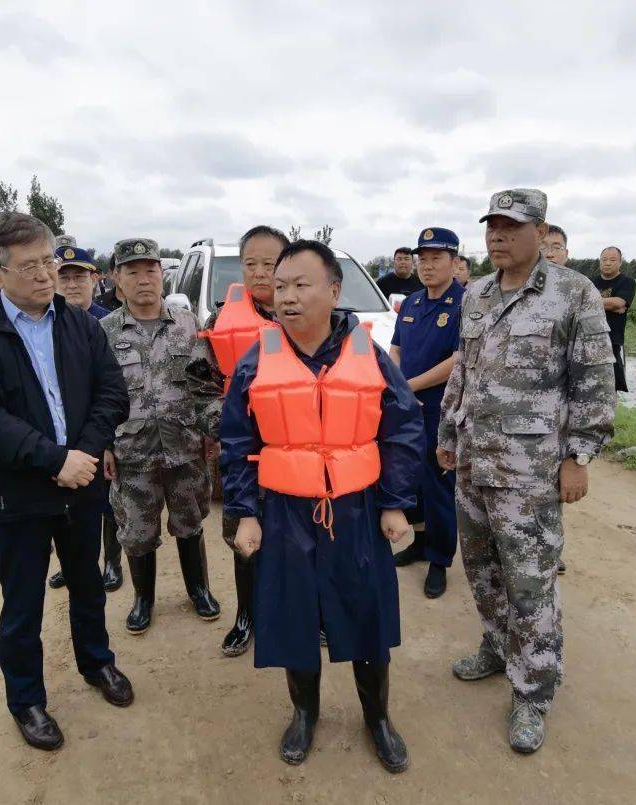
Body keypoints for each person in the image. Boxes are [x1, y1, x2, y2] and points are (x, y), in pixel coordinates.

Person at [221, 239, 423, 772]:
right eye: (280, 286)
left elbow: (403, 429)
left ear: (333, 290)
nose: (287, 296)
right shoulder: (257, 358)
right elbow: (237, 442)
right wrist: (244, 512)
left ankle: (377, 717)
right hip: (285, 512)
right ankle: (305, 712)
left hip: (356, 510)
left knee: (367, 617)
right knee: (291, 618)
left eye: (300, 285)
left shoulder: (367, 353)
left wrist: (396, 503)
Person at [438, 188, 616, 754]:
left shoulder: (573, 293)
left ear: (541, 232)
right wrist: (447, 432)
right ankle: (496, 645)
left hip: (531, 470)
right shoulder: (478, 294)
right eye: (492, 226)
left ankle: (533, 691)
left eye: (511, 227)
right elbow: (464, 369)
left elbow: (594, 381)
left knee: (531, 580)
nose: (497, 236)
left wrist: (579, 456)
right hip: (473, 459)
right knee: (481, 565)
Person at [0, 212, 133, 751]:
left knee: (88, 587)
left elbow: (112, 393)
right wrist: (54, 459)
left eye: (48, 261)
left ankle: (97, 664)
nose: (45, 275)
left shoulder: (80, 324)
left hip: (82, 484)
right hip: (21, 492)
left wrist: (89, 449)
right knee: (23, 601)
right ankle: (26, 699)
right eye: (28, 266)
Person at [103, 237, 220, 636]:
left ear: (162, 275)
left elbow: (208, 386)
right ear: (117, 279)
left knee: (190, 522)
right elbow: (95, 396)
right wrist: (101, 444)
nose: (143, 279)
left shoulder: (189, 326)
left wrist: (211, 432)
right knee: (137, 533)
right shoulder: (105, 332)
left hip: (185, 446)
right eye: (132, 271)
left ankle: (199, 589)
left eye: (150, 270)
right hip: (131, 452)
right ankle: (143, 600)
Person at [188, 224, 288, 657]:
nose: (261, 273)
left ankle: (306, 614)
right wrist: (233, 428)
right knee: (243, 540)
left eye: (271, 264)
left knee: (301, 538)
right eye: (252, 264)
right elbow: (199, 387)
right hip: (243, 456)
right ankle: (246, 615)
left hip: (299, 455)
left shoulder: (306, 314)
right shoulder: (220, 321)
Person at [389, 226, 464, 598]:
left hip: (441, 410)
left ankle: (440, 558)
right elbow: (396, 350)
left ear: (454, 261)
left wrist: (410, 387)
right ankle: (420, 542)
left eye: (436, 258)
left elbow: (458, 360)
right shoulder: (413, 302)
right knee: (413, 479)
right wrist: (397, 386)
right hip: (409, 407)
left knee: (438, 483)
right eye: (423, 259)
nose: (427, 265)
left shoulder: (464, 304)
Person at [47, 244, 121, 591]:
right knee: (62, 504)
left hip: (102, 430)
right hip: (62, 433)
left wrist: (107, 441)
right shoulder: (45, 322)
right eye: (65, 277)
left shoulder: (107, 322)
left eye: (80, 276)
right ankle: (72, 563)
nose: (73, 284)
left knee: (108, 502)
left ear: (95, 279)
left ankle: (113, 562)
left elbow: (113, 389)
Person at [591, 246, 636, 393]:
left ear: (620, 262)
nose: (608, 263)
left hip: (613, 341)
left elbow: (619, 303)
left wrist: (589, 302)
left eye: (612, 259)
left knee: (612, 385)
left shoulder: (627, 282)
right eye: (604, 259)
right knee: (589, 383)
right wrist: (610, 305)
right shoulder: (589, 282)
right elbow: (614, 304)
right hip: (589, 339)